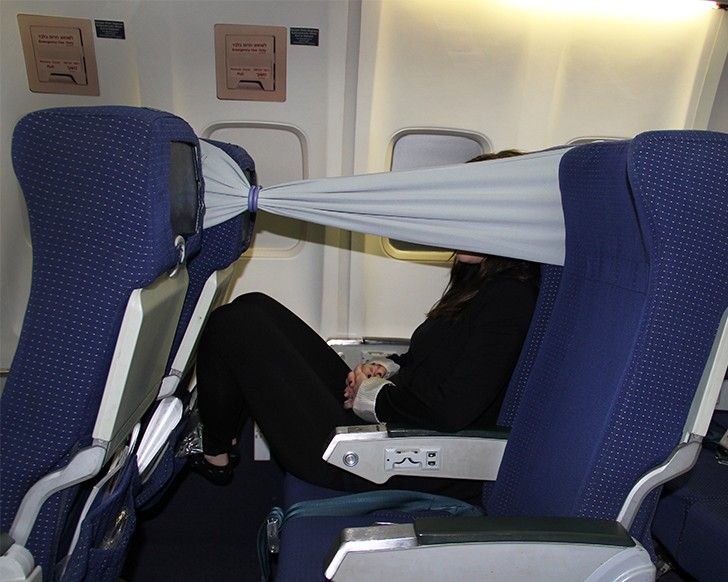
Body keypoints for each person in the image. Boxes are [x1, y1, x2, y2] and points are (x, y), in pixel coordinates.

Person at [188, 152, 539, 499]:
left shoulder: (511, 299)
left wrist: (370, 395)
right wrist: (383, 368)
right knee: (254, 305)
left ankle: (214, 450)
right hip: (391, 426)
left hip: (394, 459)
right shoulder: (480, 281)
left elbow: (451, 410)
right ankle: (217, 442)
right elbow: (431, 361)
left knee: (233, 324)